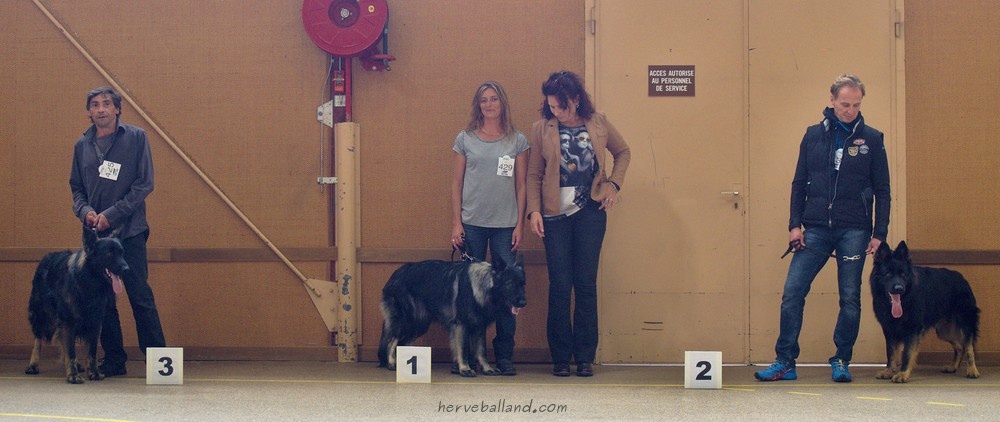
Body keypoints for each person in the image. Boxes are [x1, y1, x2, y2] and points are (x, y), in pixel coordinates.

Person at [755, 74, 890, 383]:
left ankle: (841, 359)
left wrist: (879, 233)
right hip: (815, 227)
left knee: (850, 298)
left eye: (856, 105)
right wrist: (794, 225)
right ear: (832, 100)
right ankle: (785, 361)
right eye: (845, 104)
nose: (850, 110)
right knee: (793, 292)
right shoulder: (813, 135)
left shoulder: (872, 139)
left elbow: (883, 190)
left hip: (855, 229)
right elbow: (799, 182)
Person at [526, 70, 630, 377]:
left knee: (585, 285)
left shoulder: (598, 122)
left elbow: (623, 152)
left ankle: (584, 357)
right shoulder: (541, 128)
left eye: (562, 106)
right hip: (554, 215)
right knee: (560, 286)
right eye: (551, 106)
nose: (557, 111)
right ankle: (560, 358)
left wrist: (613, 184)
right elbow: (534, 174)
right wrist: (534, 211)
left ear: (576, 99)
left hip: (590, 213)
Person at [70, 86, 167, 377]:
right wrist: (86, 212)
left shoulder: (136, 137)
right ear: (88, 112)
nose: (100, 109)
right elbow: (76, 189)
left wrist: (110, 215)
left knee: (140, 295)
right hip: (97, 238)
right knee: (103, 301)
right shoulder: (82, 145)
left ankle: (158, 362)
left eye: (106, 104)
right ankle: (114, 360)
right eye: (95, 104)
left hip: (130, 231)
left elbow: (144, 184)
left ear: (117, 109)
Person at [450, 81, 529, 376]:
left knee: (508, 293)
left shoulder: (517, 141)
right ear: (478, 105)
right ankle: (471, 357)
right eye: (484, 100)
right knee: (471, 297)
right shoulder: (465, 139)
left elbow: (521, 185)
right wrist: (456, 222)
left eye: (494, 99)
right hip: (472, 224)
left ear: (502, 103)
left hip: (505, 226)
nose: (489, 104)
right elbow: (456, 182)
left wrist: (519, 224)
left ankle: (504, 356)